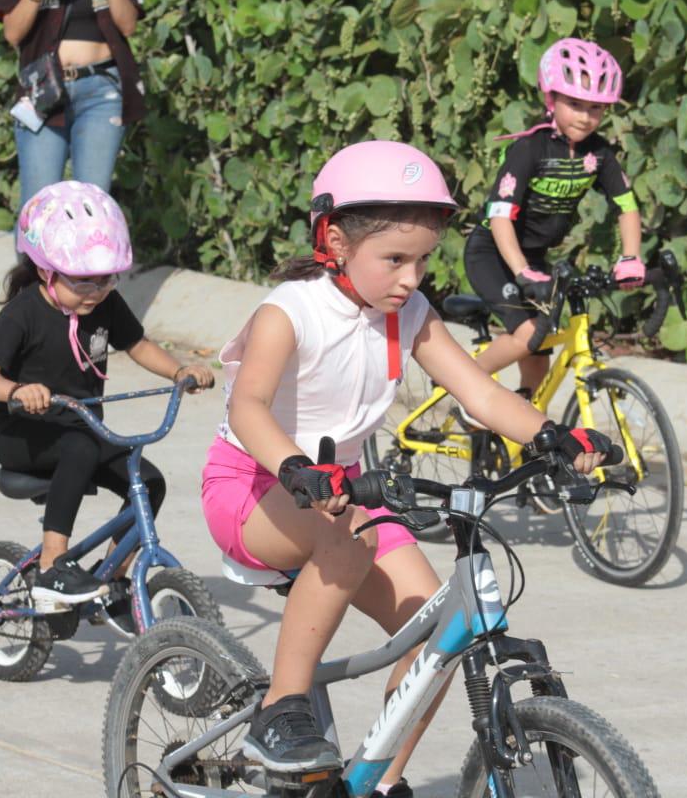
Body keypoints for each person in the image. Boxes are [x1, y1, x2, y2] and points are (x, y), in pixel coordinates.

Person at [201, 141, 616, 795]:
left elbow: (478, 392)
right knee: (346, 539)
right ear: (334, 241)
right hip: (253, 487)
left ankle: (379, 782)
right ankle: (280, 713)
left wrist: (556, 437)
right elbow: (249, 407)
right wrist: (298, 469)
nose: (411, 277)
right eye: (394, 259)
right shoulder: (290, 311)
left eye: (422, 260)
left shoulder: (409, 314)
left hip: (346, 498)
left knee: (439, 626)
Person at [0, 181, 214, 614]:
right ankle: (51, 567)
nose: (95, 291)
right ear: (46, 270)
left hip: (79, 424)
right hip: (20, 431)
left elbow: (138, 345)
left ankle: (115, 577)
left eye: (105, 279)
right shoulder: (24, 312)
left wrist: (179, 370)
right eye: (82, 281)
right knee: (79, 448)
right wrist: (17, 391)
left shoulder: (105, 304)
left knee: (148, 479)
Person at [463, 37, 643, 398]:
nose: (585, 116)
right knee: (529, 332)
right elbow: (499, 216)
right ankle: (464, 385)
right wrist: (520, 271)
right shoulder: (530, 148)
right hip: (493, 253)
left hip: (533, 259)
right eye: (574, 103)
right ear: (551, 99)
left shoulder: (599, 154)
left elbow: (627, 205)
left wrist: (630, 257)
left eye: (596, 108)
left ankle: (522, 423)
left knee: (539, 349)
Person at [0, 0, 146, 208]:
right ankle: (33, 253)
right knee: (39, 208)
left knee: (93, 206)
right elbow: (12, 34)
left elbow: (129, 26)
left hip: (102, 92)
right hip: (44, 93)